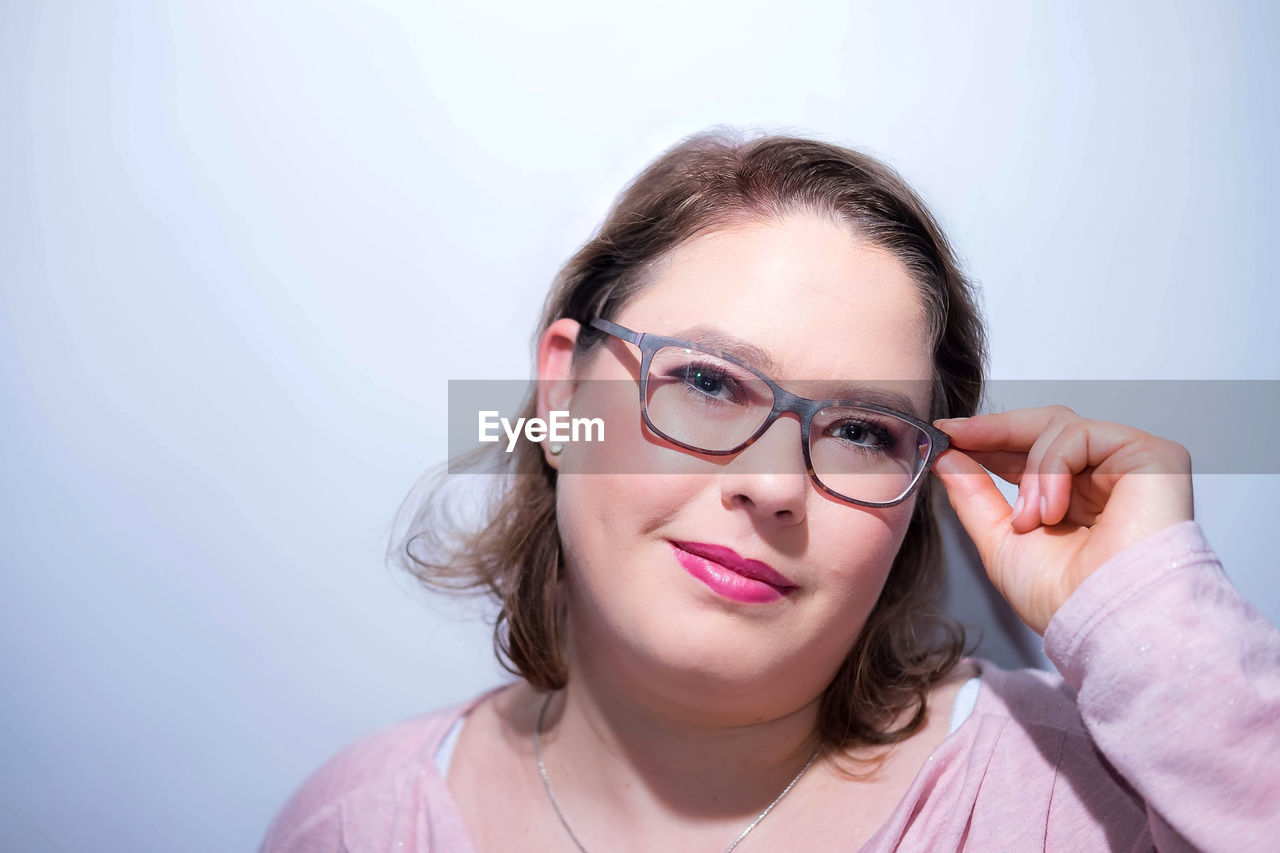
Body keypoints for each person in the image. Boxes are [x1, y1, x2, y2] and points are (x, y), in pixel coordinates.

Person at [259, 132, 1280, 852]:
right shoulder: (356, 823)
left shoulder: (1087, 800)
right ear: (561, 388)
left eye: (858, 431)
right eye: (704, 382)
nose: (772, 486)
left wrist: (1147, 609)